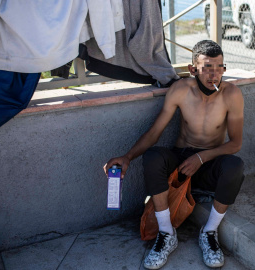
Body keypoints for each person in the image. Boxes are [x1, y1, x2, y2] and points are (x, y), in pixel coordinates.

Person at [103, 40, 245, 269]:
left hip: (209, 163)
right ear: (193, 70)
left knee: (235, 166)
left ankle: (209, 232)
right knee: (153, 157)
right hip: (181, 161)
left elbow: (235, 143)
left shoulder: (232, 94)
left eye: (220, 67)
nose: (215, 74)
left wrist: (202, 158)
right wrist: (128, 157)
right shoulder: (180, 90)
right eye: (208, 67)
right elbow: (155, 132)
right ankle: (167, 234)